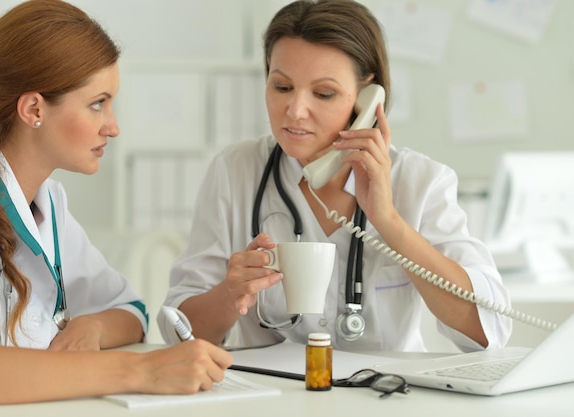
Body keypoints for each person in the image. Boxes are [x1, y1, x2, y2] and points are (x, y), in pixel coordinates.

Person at [158, 0, 512, 353]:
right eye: (281, 87)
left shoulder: (422, 182)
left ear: (366, 99)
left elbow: (489, 332)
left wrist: (388, 221)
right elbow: (180, 333)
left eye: (323, 93)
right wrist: (229, 293)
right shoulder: (235, 171)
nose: (295, 111)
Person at [0, 0, 231, 406]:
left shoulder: (49, 203)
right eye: (98, 103)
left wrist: (93, 325)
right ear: (33, 109)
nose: (112, 126)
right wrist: (141, 371)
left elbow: (130, 312)